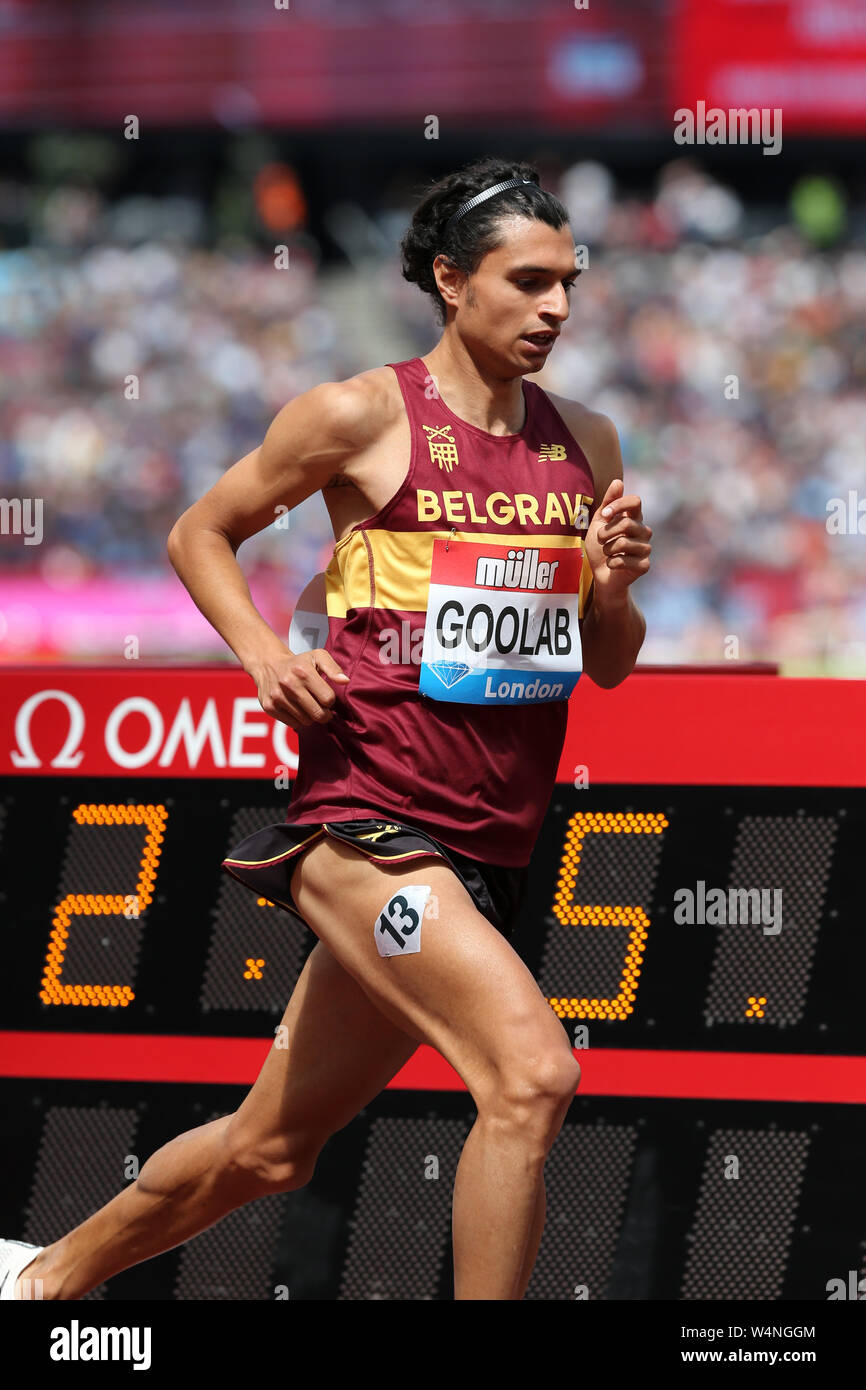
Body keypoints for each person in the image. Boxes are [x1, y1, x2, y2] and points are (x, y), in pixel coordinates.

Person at [0, 156, 651, 1302]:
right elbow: (203, 530)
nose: (556, 306)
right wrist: (263, 655)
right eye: (528, 280)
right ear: (451, 281)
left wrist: (608, 591)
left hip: (487, 844)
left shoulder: (587, 442)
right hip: (369, 825)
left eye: (568, 283)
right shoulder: (358, 413)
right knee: (531, 1077)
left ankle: (47, 1281)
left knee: (270, 1148)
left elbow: (604, 667)